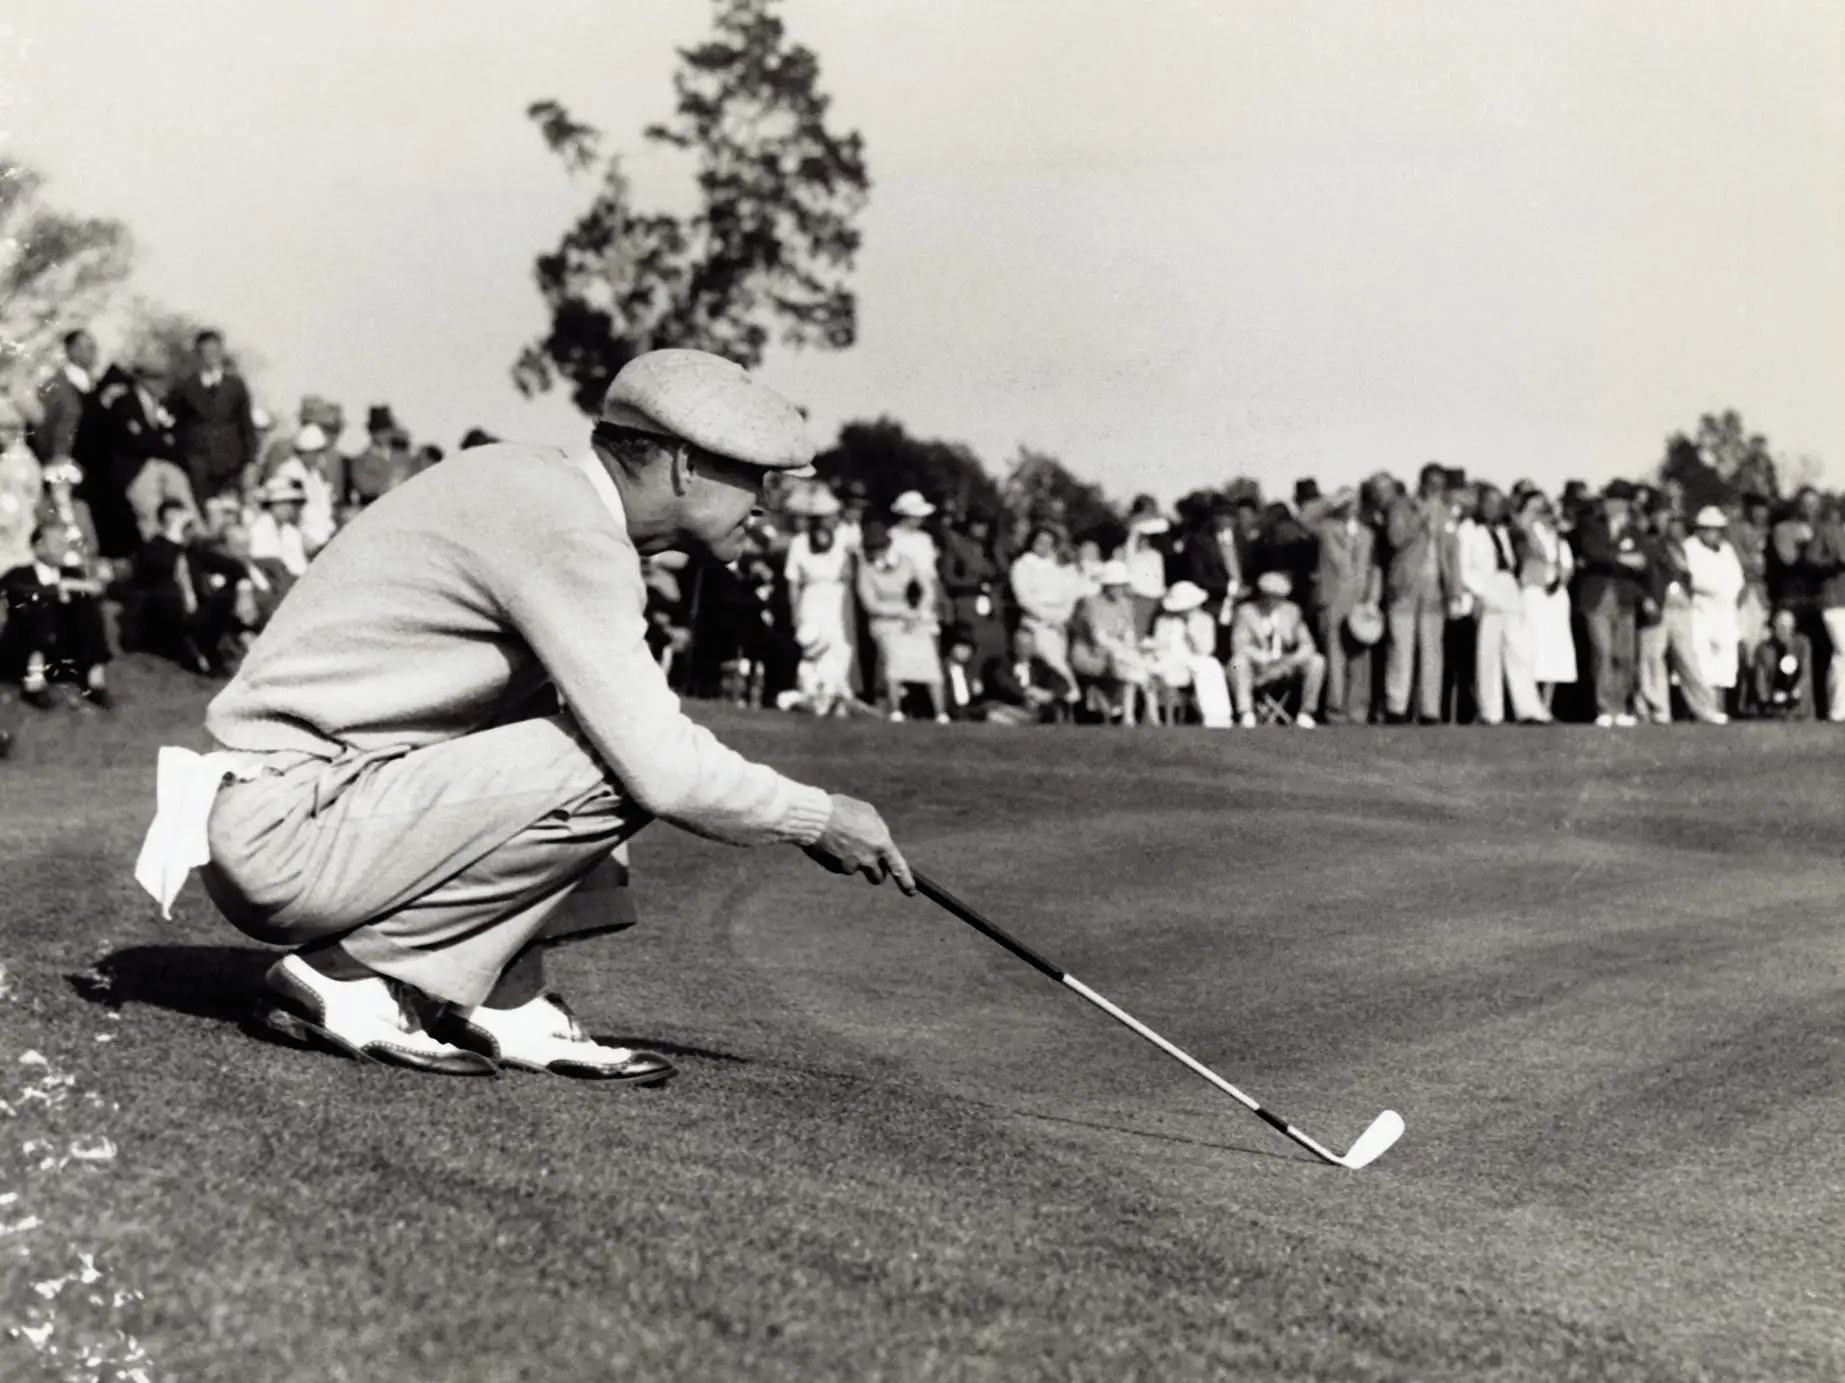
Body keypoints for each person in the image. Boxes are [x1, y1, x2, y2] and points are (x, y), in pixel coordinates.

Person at [134, 348, 914, 1082]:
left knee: (593, 726)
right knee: (623, 756)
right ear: (683, 464)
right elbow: (665, 768)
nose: (767, 504)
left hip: (292, 811)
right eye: (753, 477)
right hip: (290, 829)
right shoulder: (566, 526)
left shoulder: (541, 489)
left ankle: (503, 997)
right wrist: (816, 817)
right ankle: (350, 976)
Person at [1458, 484, 1549, 725]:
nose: (1494, 508)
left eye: (1498, 504)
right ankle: (1491, 711)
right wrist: (1481, 592)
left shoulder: (1502, 530)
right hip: (1486, 587)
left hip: (1507, 585)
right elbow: (1463, 567)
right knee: (1488, 654)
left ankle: (1528, 709)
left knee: (1520, 649)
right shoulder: (1468, 530)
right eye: (1490, 503)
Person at [0, 522, 114, 710]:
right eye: (56, 543)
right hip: (27, 650)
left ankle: (95, 680)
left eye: (64, 542)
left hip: (63, 645)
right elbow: (16, 591)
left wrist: (91, 584)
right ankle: (34, 685)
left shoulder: (71, 573)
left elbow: (94, 591)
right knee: (38, 605)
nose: (63, 548)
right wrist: (61, 586)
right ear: (38, 547)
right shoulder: (19, 574)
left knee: (88, 606)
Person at [1635, 503, 1724, 724]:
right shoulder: (1647, 543)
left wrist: (1686, 592)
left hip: (1680, 605)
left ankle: (1705, 707)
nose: (1674, 525)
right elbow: (1641, 575)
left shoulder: (1679, 548)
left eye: (1676, 521)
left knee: (1687, 658)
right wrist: (1646, 597)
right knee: (1653, 658)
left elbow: (1685, 576)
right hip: (1658, 605)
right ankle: (1658, 708)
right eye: (1669, 520)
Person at [1572, 479, 1648, 727]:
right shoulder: (1592, 526)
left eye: (1615, 500)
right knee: (1602, 651)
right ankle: (1604, 706)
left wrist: (1617, 559)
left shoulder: (1634, 531)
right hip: (1597, 598)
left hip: (1625, 599)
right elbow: (1593, 553)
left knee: (1624, 655)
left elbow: (1643, 561)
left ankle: (1620, 706)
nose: (1609, 505)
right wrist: (1623, 559)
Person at [856, 521, 946, 722]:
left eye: (881, 547)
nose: (877, 552)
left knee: (929, 658)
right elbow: (870, 604)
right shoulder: (866, 569)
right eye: (873, 548)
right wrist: (900, 613)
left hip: (912, 618)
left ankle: (940, 711)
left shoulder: (906, 562)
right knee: (894, 659)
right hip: (884, 621)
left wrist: (919, 611)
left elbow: (927, 589)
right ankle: (895, 709)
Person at [1382, 462, 1451, 724]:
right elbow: (1396, 538)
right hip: (1405, 585)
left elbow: (1451, 550)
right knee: (1401, 646)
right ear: (1421, 483)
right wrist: (1420, 517)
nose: (1436, 491)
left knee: (1432, 650)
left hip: (1434, 587)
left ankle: (1429, 709)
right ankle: (1396, 707)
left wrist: (1453, 587)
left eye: (1440, 486)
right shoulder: (1401, 507)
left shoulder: (1445, 512)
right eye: (1432, 485)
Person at [1311, 486, 1381, 725]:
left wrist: (1372, 599)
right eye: (1347, 503)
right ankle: (1335, 710)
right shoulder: (1326, 528)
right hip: (1332, 600)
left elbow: (1374, 569)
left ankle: (1358, 710)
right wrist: (1330, 502)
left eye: (1354, 502)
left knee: (1360, 658)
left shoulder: (1367, 533)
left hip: (1360, 602)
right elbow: (1303, 521)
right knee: (1335, 656)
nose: (1351, 507)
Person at [165, 330, 259, 503]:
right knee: (201, 505)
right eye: (206, 352)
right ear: (198, 354)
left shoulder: (235, 386)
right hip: (196, 464)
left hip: (231, 463)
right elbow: (172, 422)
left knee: (229, 507)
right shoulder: (184, 387)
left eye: (215, 351)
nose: (211, 357)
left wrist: (250, 460)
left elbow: (246, 425)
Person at [1228, 571, 1325, 728]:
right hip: (1257, 666)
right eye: (1269, 595)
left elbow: (1308, 644)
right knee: (1236, 663)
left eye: (1278, 596)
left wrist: (1295, 658)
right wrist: (1259, 656)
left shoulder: (1292, 611)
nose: (1273, 600)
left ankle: (1306, 713)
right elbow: (1239, 645)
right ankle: (1246, 712)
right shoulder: (1246, 612)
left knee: (1317, 661)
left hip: (1285, 665)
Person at [1512, 488, 1576, 711]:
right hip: (1534, 594)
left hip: (1554, 597)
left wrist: (1559, 582)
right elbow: (1521, 526)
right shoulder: (1527, 533)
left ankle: (1546, 704)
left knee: (1553, 649)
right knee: (1531, 647)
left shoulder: (1558, 537)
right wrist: (1531, 506)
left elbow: (1567, 565)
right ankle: (1530, 703)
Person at [1069, 560, 1148, 724]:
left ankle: (1130, 715)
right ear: (1106, 586)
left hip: (1117, 652)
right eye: (1115, 586)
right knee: (1124, 662)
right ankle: (1124, 713)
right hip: (1090, 653)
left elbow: (1129, 633)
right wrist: (1123, 651)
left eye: (1121, 585)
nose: (1119, 590)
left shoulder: (1126, 604)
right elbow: (1098, 637)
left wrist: (1130, 650)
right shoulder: (1090, 603)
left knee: (1135, 662)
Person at [1145, 580, 1232, 727]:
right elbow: (1160, 646)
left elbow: (1206, 650)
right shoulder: (1163, 621)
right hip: (1169, 662)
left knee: (1209, 666)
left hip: (1194, 661)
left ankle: (1218, 717)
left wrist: (1191, 631)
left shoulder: (1205, 620)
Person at [1683, 507, 1746, 708]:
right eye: (1710, 529)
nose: (1714, 533)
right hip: (1700, 611)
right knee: (1702, 658)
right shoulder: (1690, 547)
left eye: (1718, 529)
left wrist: (1728, 593)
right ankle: (1705, 706)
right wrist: (1718, 588)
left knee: (1726, 659)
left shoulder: (1726, 550)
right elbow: (1695, 578)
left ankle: (1720, 706)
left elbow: (1737, 579)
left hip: (1725, 612)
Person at [1009, 525, 1082, 688]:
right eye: (1040, 542)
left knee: (1059, 660)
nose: (1044, 546)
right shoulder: (1023, 564)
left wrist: (1062, 616)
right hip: (1035, 621)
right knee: (1052, 663)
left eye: (1048, 543)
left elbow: (1069, 594)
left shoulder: (1057, 566)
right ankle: (1069, 692)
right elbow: (1023, 597)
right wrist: (1047, 617)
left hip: (1059, 623)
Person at [979, 625, 1073, 726]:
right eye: (1021, 645)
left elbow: (1063, 684)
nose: (1025, 649)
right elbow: (1003, 683)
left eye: (1028, 645)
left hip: (1034, 709)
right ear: (1013, 645)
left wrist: (1048, 694)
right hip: (1009, 705)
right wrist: (1027, 692)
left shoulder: (1039, 665)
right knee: (993, 711)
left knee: (1055, 709)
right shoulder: (999, 663)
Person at [0, 394, 44, 575]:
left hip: (18, 541)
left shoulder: (25, 459)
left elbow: (35, 497)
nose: (8, 433)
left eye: (14, 428)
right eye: (4, 427)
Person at [1748, 607, 1813, 720]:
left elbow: (1806, 674)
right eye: (1782, 627)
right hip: (1772, 706)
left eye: (1789, 627)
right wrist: (1769, 697)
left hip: (1798, 705)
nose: (1785, 632)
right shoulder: (1763, 649)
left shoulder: (1802, 644)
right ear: (1774, 628)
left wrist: (1794, 693)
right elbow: (1760, 680)